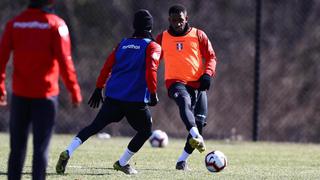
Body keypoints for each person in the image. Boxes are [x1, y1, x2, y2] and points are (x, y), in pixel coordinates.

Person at [55, 9, 161, 175]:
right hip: (135, 100)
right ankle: (122, 162)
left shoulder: (123, 43)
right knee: (146, 130)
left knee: (94, 126)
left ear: (134, 25)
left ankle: (68, 151)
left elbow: (107, 66)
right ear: (150, 27)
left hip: (114, 96)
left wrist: (99, 88)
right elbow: (151, 71)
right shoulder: (152, 46)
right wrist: (153, 93)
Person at [0, 0, 83, 179]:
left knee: (17, 148)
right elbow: (65, 61)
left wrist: (1, 86)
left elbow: (1, 59)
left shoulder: (14, 23)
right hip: (45, 97)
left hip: (20, 95)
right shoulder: (56, 24)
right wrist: (74, 90)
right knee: (41, 149)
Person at [156, 4, 217, 171]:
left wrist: (207, 74)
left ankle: (182, 161)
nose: (177, 24)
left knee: (200, 121)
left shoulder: (199, 35)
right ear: (169, 20)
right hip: (175, 83)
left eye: (180, 20)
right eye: (174, 20)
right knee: (184, 101)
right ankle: (196, 135)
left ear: (186, 19)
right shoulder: (162, 38)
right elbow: (152, 61)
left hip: (198, 84)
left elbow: (211, 57)